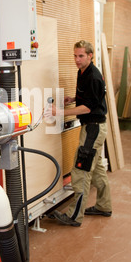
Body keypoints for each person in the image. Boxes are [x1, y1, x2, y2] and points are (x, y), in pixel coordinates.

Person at [46, 40, 112, 227]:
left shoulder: (94, 76)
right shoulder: (82, 72)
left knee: (81, 170)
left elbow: (88, 108)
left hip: (93, 128)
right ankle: (104, 206)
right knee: (97, 168)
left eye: (81, 56)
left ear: (90, 55)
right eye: (75, 55)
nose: (77, 59)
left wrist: (60, 112)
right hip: (93, 127)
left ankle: (74, 216)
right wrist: (73, 98)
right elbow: (91, 97)